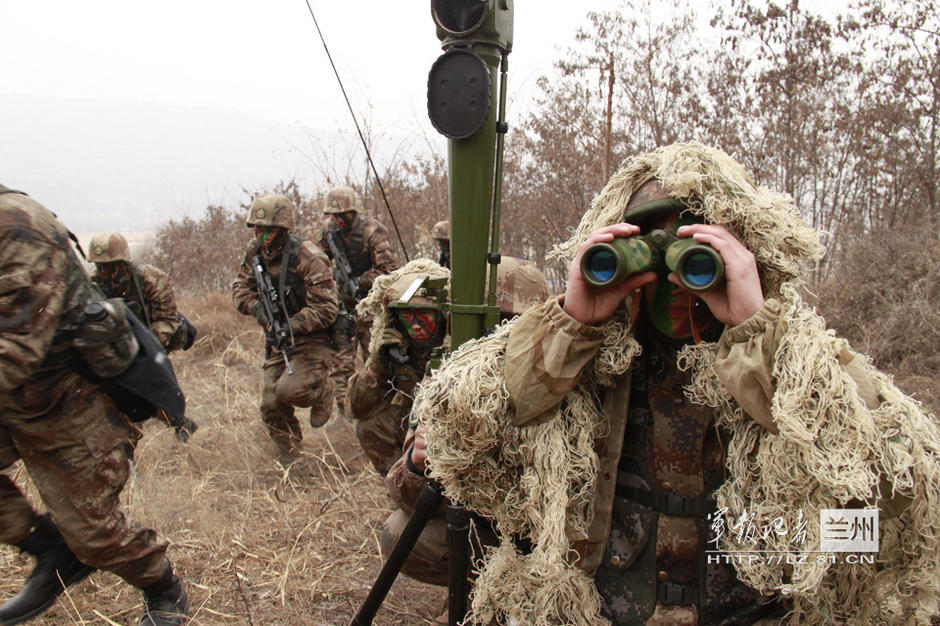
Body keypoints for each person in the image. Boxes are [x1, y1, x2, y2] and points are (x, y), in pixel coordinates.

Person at [411, 143, 940, 625]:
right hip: (603, 609)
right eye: (651, 248)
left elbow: (895, 492)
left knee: (854, 536)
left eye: (696, 253)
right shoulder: (587, 358)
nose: (674, 279)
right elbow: (460, 437)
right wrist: (572, 323)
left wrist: (761, 335)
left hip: (753, 607)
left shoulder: (799, 358)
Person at [0, 185, 189, 626]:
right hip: (12, 400)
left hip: (66, 402)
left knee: (95, 538)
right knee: (71, 542)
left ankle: (163, 587)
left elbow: (15, 349)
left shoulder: (18, 227)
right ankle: (50, 550)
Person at [353, 257, 550, 587]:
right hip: (494, 526)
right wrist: (418, 466)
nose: (507, 336)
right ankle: (478, 591)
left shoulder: (571, 373)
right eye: (495, 325)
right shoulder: (449, 379)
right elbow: (407, 497)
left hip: (561, 538)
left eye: (520, 323)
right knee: (401, 534)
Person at [232, 193, 339, 460]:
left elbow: (327, 309)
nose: (261, 234)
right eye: (257, 228)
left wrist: (290, 325)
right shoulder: (254, 253)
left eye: (268, 229)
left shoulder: (308, 256)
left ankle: (324, 391)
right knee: (270, 404)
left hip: (313, 339)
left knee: (291, 390)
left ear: (283, 228)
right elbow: (239, 289)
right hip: (279, 339)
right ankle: (291, 456)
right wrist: (258, 309)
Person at [88, 231, 197, 440]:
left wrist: (145, 344)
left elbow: (167, 321)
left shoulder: (151, 279)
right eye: (100, 266)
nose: (104, 272)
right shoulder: (93, 285)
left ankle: (178, 422)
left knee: (150, 389)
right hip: (119, 343)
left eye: (109, 267)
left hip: (154, 339)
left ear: (123, 262)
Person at [311, 186, 400, 419]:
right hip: (345, 309)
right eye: (334, 215)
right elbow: (317, 260)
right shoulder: (329, 232)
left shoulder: (373, 231)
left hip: (373, 309)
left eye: (343, 215)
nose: (338, 220)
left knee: (377, 363)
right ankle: (345, 415)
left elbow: (389, 270)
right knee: (342, 364)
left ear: (354, 212)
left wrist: (360, 281)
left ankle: (381, 412)